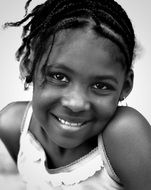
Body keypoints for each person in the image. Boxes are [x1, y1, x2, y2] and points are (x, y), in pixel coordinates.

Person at [0, 0, 151, 189]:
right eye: (58, 76)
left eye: (100, 85)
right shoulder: (13, 126)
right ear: (27, 66)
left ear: (126, 86)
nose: (76, 103)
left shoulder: (124, 132)